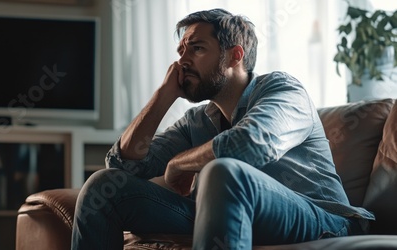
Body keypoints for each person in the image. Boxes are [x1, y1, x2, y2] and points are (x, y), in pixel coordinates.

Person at [71, 8, 374, 249]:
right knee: (103, 186)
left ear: (235, 55)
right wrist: (162, 96)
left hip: (320, 217)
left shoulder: (282, 89)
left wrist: (179, 163)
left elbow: (252, 144)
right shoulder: (198, 120)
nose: (182, 62)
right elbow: (123, 166)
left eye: (197, 49)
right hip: (232, 213)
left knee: (223, 171)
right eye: (180, 52)